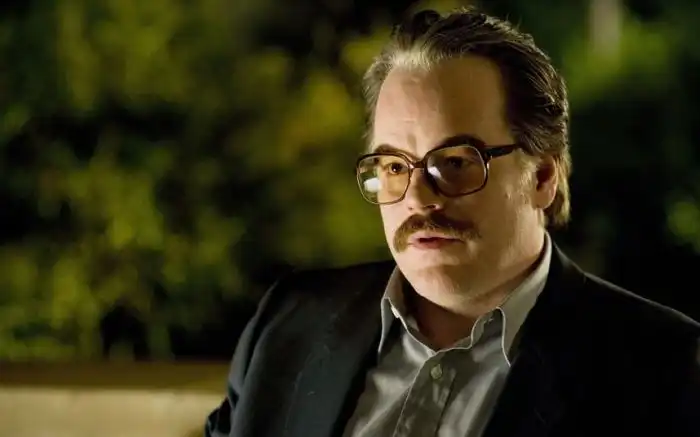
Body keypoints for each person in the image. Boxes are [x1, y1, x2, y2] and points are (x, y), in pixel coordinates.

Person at [205, 7, 699, 437]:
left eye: (457, 162)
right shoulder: (290, 324)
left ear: (543, 177)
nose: (418, 198)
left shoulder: (665, 369)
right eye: (394, 167)